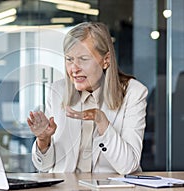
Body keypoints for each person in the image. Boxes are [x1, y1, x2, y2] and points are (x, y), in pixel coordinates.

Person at [27, 22, 148, 175]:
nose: (74, 69)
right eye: (69, 59)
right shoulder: (57, 91)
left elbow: (128, 166)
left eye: (83, 59)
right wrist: (43, 140)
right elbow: (44, 166)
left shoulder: (134, 93)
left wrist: (102, 122)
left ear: (106, 60)